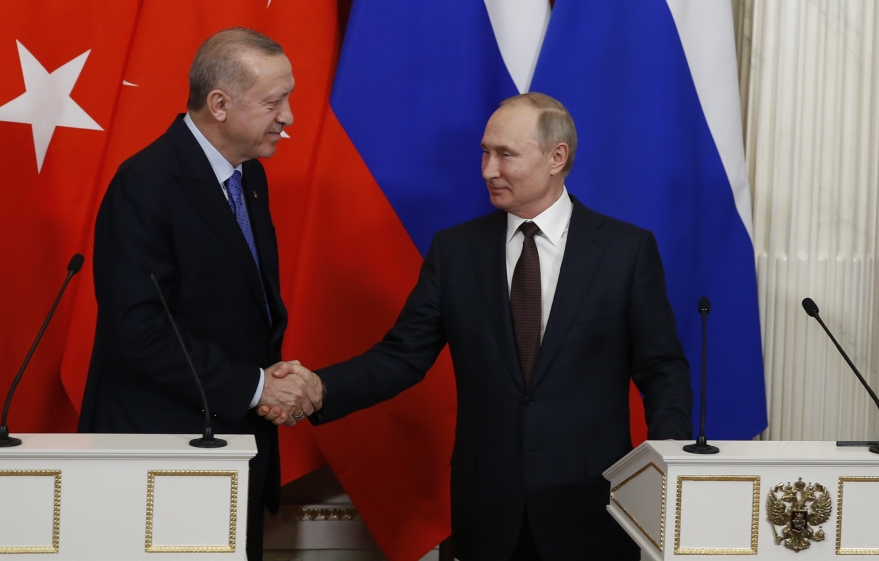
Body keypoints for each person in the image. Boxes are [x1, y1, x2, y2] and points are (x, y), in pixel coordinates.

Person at [262, 93, 692, 560]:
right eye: (485, 152)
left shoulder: (626, 252)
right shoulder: (456, 252)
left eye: (505, 154)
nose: (488, 169)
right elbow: (402, 356)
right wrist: (319, 388)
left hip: (590, 511)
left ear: (557, 157)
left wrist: (667, 451)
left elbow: (662, 367)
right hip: (486, 515)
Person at [78, 28, 324, 561]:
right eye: (274, 101)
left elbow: (244, 310)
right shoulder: (146, 183)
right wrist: (257, 387)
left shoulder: (249, 178)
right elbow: (139, 333)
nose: (289, 116)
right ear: (220, 104)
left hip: (232, 452)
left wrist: (270, 381)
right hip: (162, 457)